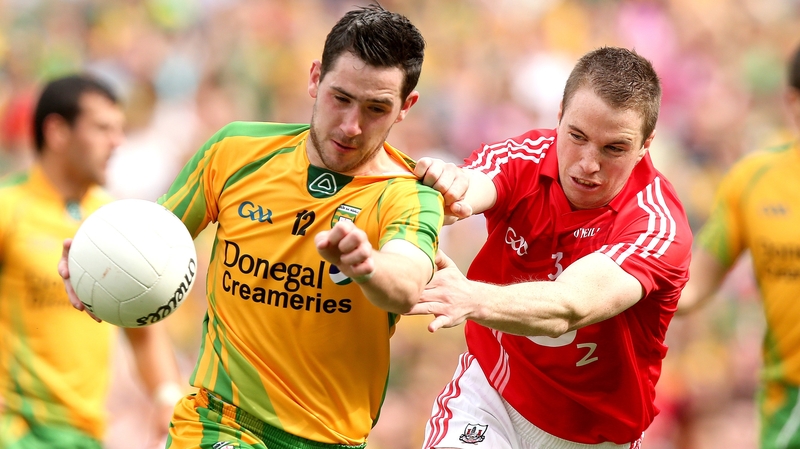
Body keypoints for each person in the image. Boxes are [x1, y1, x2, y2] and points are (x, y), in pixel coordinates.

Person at [56, 4, 444, 449]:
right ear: (315, 78)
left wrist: (368, 266)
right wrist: (93, 257)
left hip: (331, 439)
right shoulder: (236, 151)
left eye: (376, 108)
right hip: (219, 421)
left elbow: (408, 281)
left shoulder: (410, 194)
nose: (352, 126)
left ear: (405, 107)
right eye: (341, 98)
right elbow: (150, 240)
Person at [410, 46, 693, 448]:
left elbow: (571, 304)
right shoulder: (522, 156)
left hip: (595, 437)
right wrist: (447, 188)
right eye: (576, 136)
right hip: (493, 397)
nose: (588, 163)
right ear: (558, 117)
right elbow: (473, 185)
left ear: (645, 145)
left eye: (614, 148)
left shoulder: (657, 224)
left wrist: (470, 297)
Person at [0, 75, 183, 449]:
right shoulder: (9, 210)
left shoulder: (113, 219)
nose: (117, 142)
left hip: (87, 433)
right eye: (102, 128)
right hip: (17, 430)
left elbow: (143, 327)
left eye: (119, 129)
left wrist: (167, 397)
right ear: (57, 132)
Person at [676, 43, 800, 448]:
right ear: (792, 103)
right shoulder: (752, 181)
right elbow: (690, 289)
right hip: (787, 404)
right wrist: (610, 289)